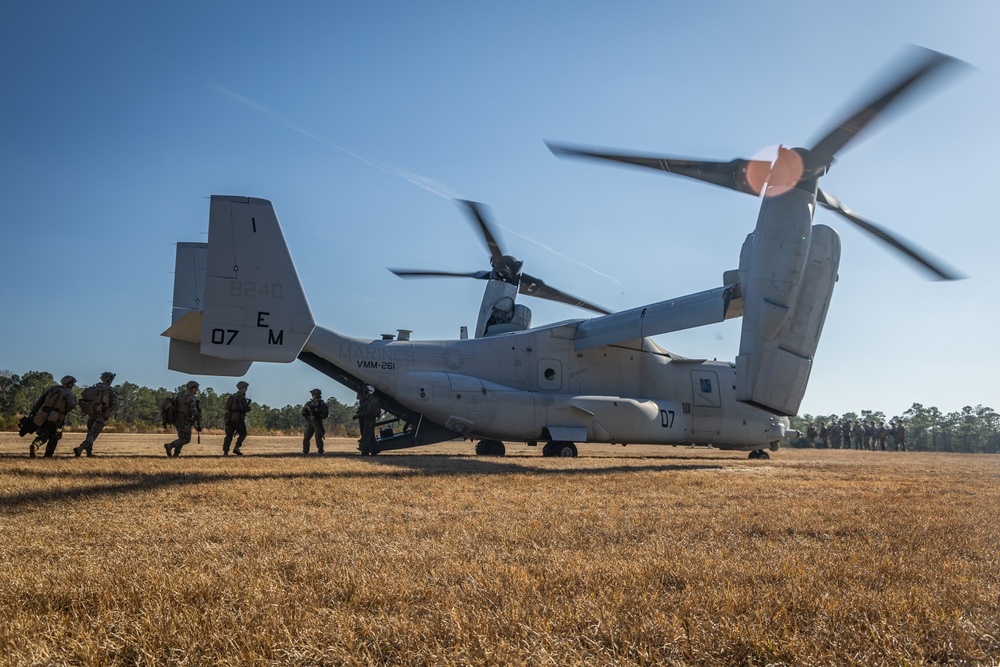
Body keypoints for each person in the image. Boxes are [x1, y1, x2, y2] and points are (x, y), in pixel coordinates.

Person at [28, 375, 78, 458]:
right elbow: (72, 404)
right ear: (69, 384)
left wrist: (34, 411)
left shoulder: (52, 389)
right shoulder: (70, 394)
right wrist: (65, 411)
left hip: (43, 414)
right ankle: (48, 456)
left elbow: (41, 400)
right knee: (55, 437)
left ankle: (35, 445)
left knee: (43, 434)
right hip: (57, 417)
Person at [74, 371, 118, 457]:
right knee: (92, 435)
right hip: (101, 415)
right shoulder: (110, 390)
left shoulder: (95, 387)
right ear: (109, 379)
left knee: (90, 433)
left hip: (92, 414)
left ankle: (89, 453)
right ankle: (81, 448)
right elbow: (114, 404)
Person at [165, 380, 201, 457]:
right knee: (186, 439)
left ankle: (176, 454)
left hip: (177, 419)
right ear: (192, 388)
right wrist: (197, 418)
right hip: (185, 420)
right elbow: (194, 410)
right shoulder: (191, 397)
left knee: (181, 438)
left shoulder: (180, 395)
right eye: (196, 388)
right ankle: (170, 445)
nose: (197, 390)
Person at [222, 381, 252, 456]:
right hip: (237, 418)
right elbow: (243, 408)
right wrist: (248, 408)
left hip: (229, 418)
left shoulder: (233, 396)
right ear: (242, 388)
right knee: (243, 433)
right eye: (245, 387)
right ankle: (237, 447)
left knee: (229, 435)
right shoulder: (241, 397)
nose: (246, 389)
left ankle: (225, 452)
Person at [355, 384, 381, 456]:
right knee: (370, 436)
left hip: (370, 420)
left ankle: (365, 452)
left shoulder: (373, 401)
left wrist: (358, 415)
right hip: (366, 420)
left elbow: (368, 412)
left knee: (366, 436)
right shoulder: (367, 400)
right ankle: (375, 450)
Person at [302, 388, 328, 455]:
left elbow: (325, 414)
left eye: (314, 394)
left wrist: (318, 416)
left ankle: (320, 450)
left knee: (318, 437)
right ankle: (305, 450)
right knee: (306, 437)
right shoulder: (309, 404)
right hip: (310, 422)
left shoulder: (322, 404)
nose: (313, 396)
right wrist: (308, 416)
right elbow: (303, 412)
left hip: (318, 423)